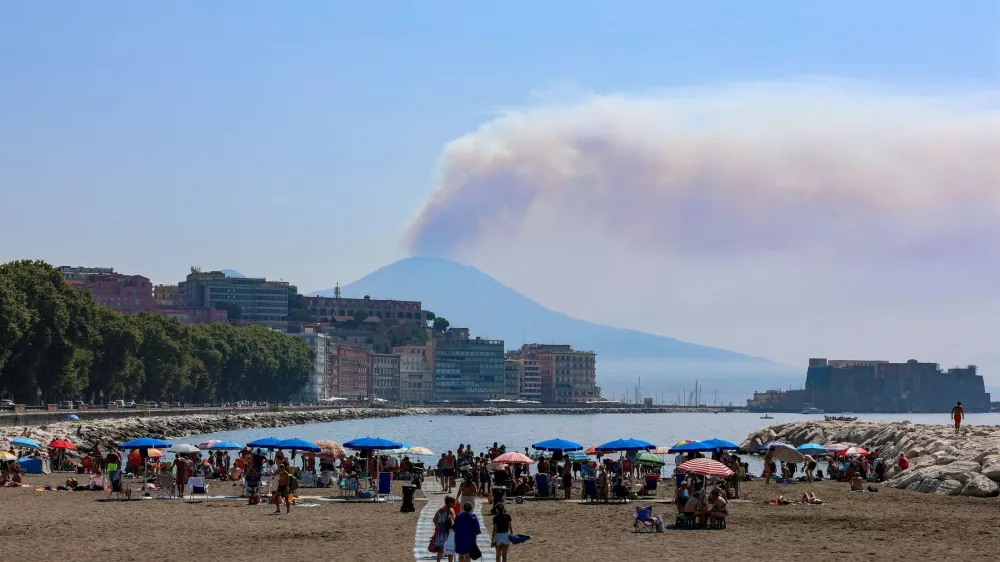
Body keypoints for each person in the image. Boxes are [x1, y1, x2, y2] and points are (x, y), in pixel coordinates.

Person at [433, 496, 456, 562]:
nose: (455, 504)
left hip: (440, 532)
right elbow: (453, 523)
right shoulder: (451, 510)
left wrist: (439, 525)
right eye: (454, 502)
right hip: (449, 532)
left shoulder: (440, 510)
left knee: (440, 550)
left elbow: (434, 520)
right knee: (449, 549)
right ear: (450, 502)